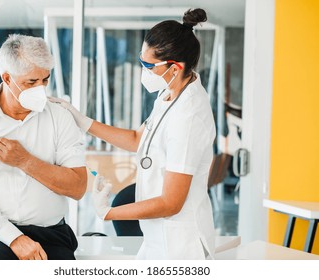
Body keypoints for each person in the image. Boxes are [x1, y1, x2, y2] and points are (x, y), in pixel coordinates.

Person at [51, 8, 216, 260]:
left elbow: (171, 203)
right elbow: (136, 139)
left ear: (174, 68)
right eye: (141, 60)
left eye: (148, 65)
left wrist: (109, 213)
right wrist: (82, 121)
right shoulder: (170, 93)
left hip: (180, 247)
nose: (143, 70)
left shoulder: (189, 117)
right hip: (156, 238)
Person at [0, 34, 87, 260]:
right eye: (31, 82)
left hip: (51, 234)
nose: (41, 89)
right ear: (6, 78)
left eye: (45, 80)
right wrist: (14, 238)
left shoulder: (60, 117)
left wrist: (25, 161)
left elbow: (78, 187)